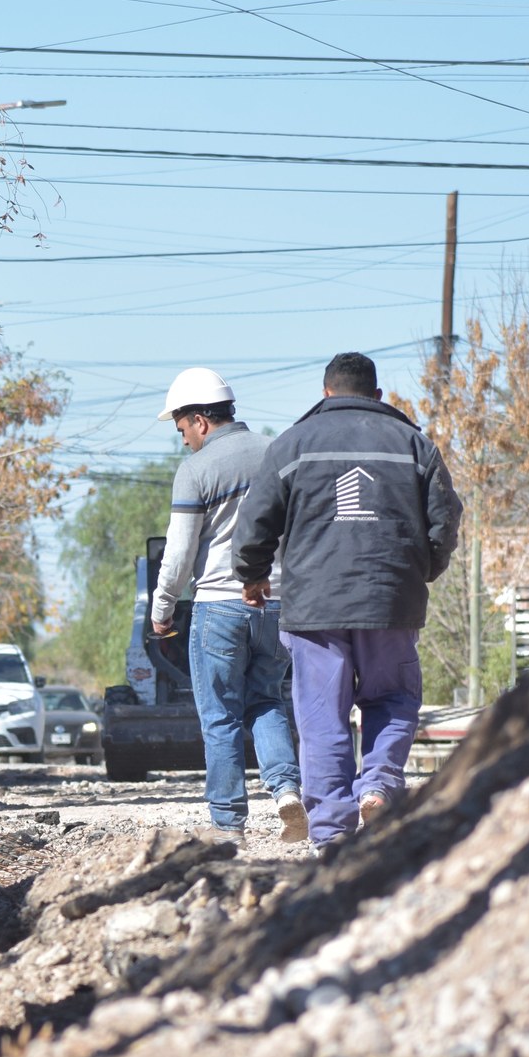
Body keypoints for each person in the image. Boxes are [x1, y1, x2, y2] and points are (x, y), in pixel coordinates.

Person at [232, 352, 461, 855]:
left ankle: (332, 832)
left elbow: (255, 523)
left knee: (321, 714)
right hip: (391, 600)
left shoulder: (292, 445)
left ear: (326, 393)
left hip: (315, 606)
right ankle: (378, 785)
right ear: (377, 397)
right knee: (394, 700)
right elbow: (445, 521)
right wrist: (420, 573)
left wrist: (251, 575)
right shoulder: (415, 444)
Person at [150, 367, 307, 842]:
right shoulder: (277, 454)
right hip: (276, 605)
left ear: (200, 419)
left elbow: (178, 552)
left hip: (218, 606)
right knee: (266, 700)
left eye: (182, 430)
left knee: (219, 715)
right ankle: (285, 791)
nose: (183, 441)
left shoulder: (197, 470)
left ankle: (228, 825)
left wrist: (161, 609)